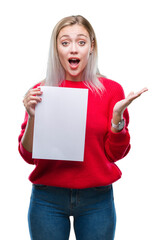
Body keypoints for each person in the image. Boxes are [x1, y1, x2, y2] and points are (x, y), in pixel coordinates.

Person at [18, 15, 148, 240]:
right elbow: (28, 156)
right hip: (47, 198)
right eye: (65, 42)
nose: (73, 50)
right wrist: (32, 118)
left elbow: (115, 154)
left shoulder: (110, 90)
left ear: (91, 46)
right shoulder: (41, 91)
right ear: (56, 48)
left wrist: (117, 120)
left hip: (96, 199)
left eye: (81, 41)